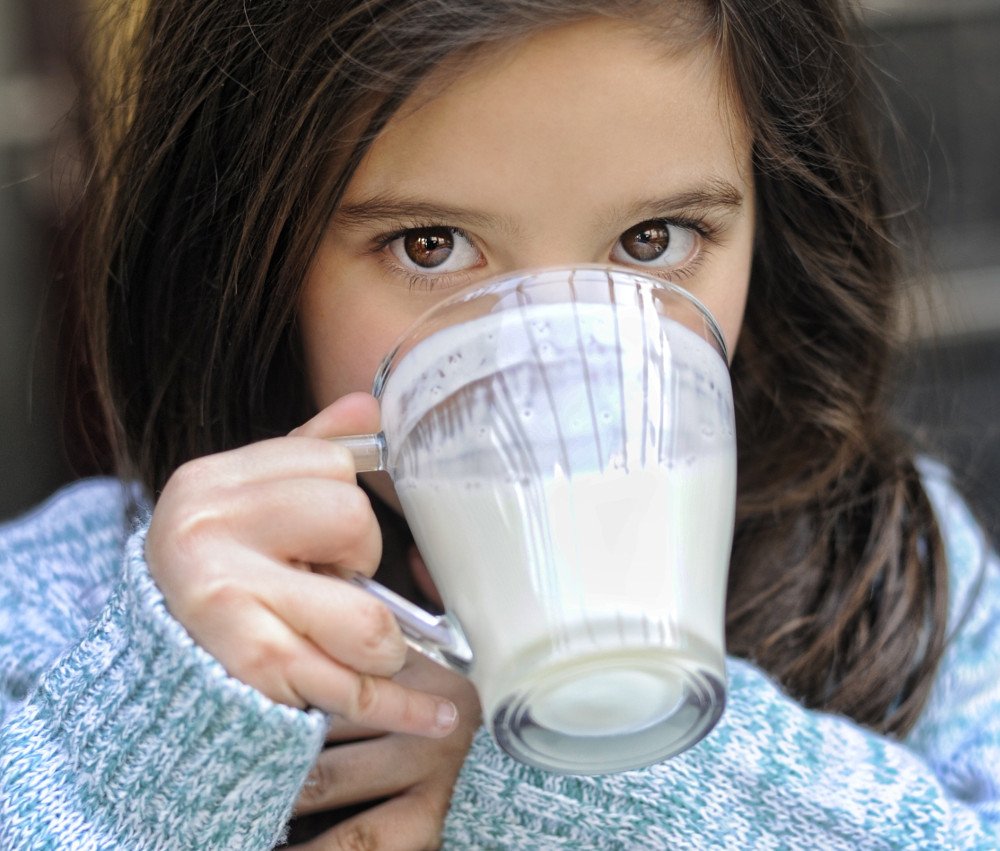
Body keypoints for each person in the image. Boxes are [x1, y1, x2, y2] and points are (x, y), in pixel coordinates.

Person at [1, 0, 998, 848]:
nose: (548, 379)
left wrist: (618, 779)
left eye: (652, 241)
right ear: (253, 252)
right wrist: (143, 746)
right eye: (432, 246)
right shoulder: (72, 612)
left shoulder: (894, 574)